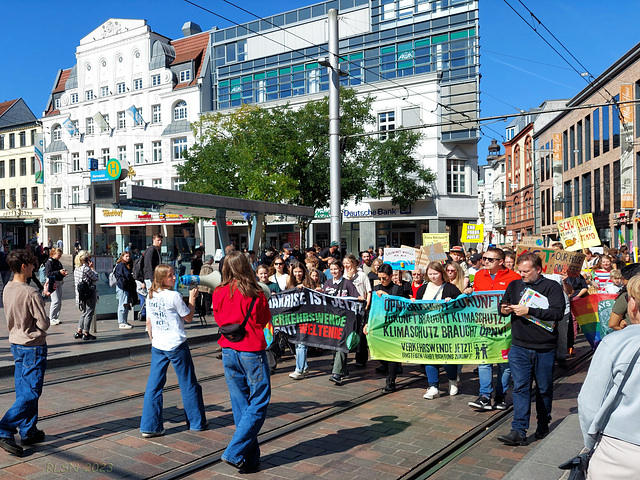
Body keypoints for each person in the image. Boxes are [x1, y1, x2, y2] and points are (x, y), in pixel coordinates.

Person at [497, 252, 565, 446]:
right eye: (520, 271)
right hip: (519, 345)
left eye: (526, 271)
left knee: (543, 388)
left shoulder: (551, 287)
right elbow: (503, 305)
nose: (522, 275)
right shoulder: (515, 285)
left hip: (544, 346)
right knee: (520, 387)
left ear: (538, 270)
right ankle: (518, 430)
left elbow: (557, 313)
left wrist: (530, 311)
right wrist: (504, 309)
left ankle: (543, 423)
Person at [212, 251, 272, 473]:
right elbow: (265, 319)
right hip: (251, 351)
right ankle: (234, 452)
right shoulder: (256, 292)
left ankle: (249, 459)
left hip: (228, 350)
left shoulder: (218, 292)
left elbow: (219, 319)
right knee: (259, 400)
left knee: (241, 404)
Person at [577, 274, 640, 479]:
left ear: (633, 306)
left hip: (620, 451)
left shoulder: (616, 343)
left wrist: (590, 444)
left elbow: (590, 404)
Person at [140, 264, 206, 438]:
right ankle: (196, 422)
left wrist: (153, 339)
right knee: (188, 383)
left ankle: (150, 426)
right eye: (170, 275)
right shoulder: (174, 296)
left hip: (158, 345)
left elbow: (149, 322)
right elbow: (189, 317)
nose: (174, 277)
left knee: (154, 385)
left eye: (174, 274)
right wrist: (192, 299)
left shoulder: (151, 295)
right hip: (176, 344)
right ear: (162, 278)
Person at [0, 250, 49, 457]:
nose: (34, 268)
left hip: (16, 343)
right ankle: (4, 428)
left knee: (23, 388)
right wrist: (42, 300)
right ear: (23, 266)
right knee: (31, 393)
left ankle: (29, 430)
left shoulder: (7, 288)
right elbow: (44, 324)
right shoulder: (31, 292)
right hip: (33, 345)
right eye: (31, 265)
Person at [468, 247, 521, 411]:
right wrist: (469, 292)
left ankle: (500, 395)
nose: (485, 262)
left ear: (500, 262)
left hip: (505, 327)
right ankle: (484, 396)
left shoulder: (514, 277)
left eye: (489, 259)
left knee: (504, 363)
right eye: (484, 258)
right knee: (484, 361)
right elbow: (476, 297)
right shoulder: (478, 275)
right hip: (483, 325)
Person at [415, 261, 461, 399]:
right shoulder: (423, 289)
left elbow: (462, 305)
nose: (433, 276)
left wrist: (452, 303)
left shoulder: (450, 288)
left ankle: (452, 379)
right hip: (427, 329)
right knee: (430, 357)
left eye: (435, 273)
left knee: (447, 358)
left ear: (442, 273)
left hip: (446, 330)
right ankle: (433, 386)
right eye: (430, 274)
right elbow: (417, 308)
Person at [365, 263, 409, 393]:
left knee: (391, 355)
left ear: (391, 276)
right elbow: (371, 309)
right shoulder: (376, 288)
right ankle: (390, 367)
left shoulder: (397, 289)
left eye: (385, 278)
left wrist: (387, 297)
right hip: (379, 325)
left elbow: (403, 307)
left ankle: (391, 381)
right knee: (377, 351)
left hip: (393, 327)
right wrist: (367, 323)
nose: (382, 281)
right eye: (380, 278)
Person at [323, 259, 362, 385]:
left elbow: (356, 296)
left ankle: (336, 373)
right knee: (334, 346)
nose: (334, 271)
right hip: (331, 320)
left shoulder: (347, 284)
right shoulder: (327, 283)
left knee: (341, 344)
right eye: (331, 269)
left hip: (345, 320)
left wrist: (360, 298)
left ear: (341, 269)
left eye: (336, 269)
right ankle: (343, 370)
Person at [286, 263, 316, 380]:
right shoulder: (290, 284)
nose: (298, 274)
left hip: (306, 318)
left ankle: (299, 369)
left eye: (300, 271)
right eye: (295, 272)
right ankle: (304, 367)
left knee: (302, 344)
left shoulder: (309, 283)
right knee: (298, 343)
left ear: (304, 272)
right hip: (294, 318)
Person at [343, 254, 372, 368]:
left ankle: (361, 358)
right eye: (344, 264)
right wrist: (348, 278)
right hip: (348, 309)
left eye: (348, 263)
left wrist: (367, 304)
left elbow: (368, 291)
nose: (346, 266)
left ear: (354, 264)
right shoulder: (344, 276)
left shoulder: (362, 275)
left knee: (361, 334)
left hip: (361, 307)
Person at [73, 251, 98, 341]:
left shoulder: (77, 268)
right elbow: (95, 278)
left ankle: (79, 330)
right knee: (89, 312)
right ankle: (86, 332)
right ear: (86, 259)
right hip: (88, 293)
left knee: (84, 312)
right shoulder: (86, 269)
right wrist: (92, 268)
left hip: (80, 294)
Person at [607, 263, 640, 331]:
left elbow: (612, 324)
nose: (622, 281)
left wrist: (626, 333)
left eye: (623, 279)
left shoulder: (626, 296)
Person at [44, 248, 68, 326]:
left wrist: (63, 273)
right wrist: (59, 272)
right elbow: (48, 273)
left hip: (58, 281)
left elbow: (59, 270)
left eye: (60, 255)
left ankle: (55, 317)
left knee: (59, 301)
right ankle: (51, 318)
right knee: (55, 300)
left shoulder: (58, 262)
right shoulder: (49, 262)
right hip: (52, 281)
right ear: (54, 254)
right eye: (58, 255)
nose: (59, 257)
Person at [115, 251, 137, 329]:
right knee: (122, 304)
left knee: (126, 304)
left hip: (126, 287)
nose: (128, 258)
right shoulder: (121, 265)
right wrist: (125, 283)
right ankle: (121, 322)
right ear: (122, 257)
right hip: (123, 287)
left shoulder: (127, 265)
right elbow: (121, 276)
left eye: (129, 256)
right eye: (126, 256)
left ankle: (124, 321)